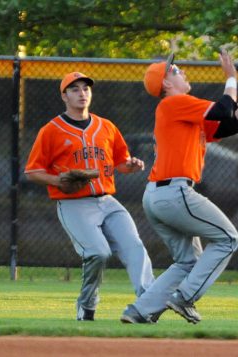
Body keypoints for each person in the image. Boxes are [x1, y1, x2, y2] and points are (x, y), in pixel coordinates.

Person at [120, 50, 238, 324]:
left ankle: (140, 310)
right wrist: (231, 77)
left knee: (188, 261)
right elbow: (222, 108)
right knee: (228, 239)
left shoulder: (184, 111)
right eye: (175, 70)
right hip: (174, 193)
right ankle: (185, 298)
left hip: (159, 195)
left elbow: (233, 123)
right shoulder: (174, 104)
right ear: (167, 84)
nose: (181, 70)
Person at [24, 72, 155, 321]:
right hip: (74, 204)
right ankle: (86, 305)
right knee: (98, 253)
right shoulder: (51, 131)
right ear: (64, 96)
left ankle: (147, 304)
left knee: (135, 248)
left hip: (107, 202)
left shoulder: (106, 127)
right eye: (74, 89)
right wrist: (56, 180)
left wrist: (132, 165)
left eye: (85, 88)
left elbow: (120, 163)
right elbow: (32, 171)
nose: (82, 93)